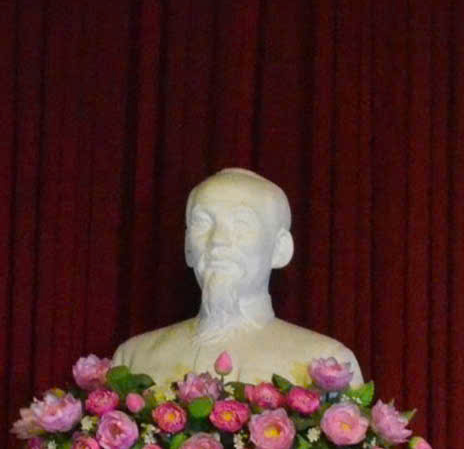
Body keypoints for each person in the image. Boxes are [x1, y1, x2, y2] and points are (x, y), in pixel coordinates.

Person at [113, 168, 363, 391]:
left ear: (280, 249)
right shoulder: (134, 358)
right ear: (188, 247)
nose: (218, 240)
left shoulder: (326, 364)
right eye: (203, 223)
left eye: (241, 224)